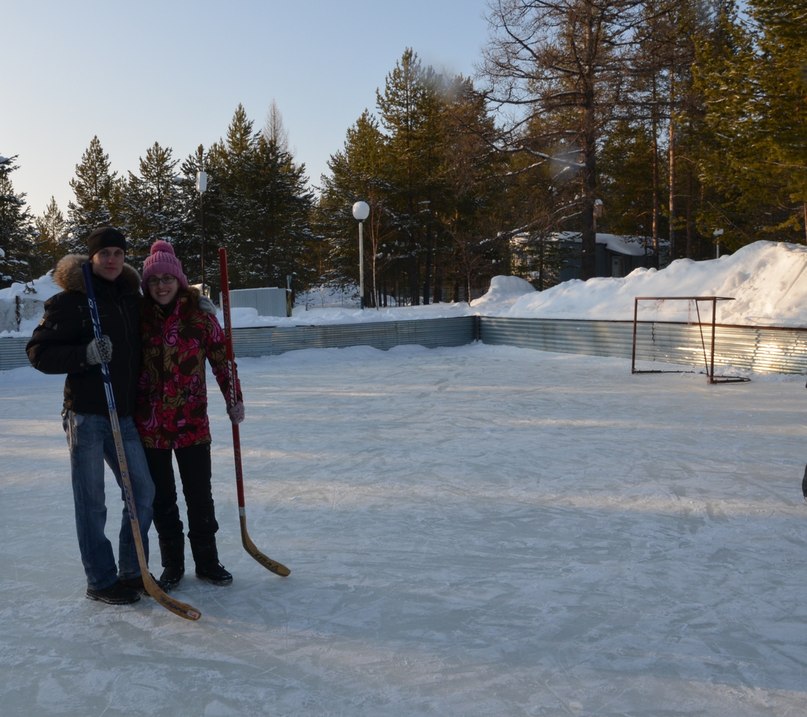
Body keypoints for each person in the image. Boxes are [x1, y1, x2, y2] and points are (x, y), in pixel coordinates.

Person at [26, 227, 156, 606]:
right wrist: (85, 355)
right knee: (92, 501)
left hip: (123, 415)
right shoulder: (70, 301)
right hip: (85, 415)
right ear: (92, 257)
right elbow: (38, 352)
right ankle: (100, 579)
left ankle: (132, 570)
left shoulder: (130, 298)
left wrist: (195, 307)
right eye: (104, 253)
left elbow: (163, 316)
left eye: (118, 253)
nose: (112, 260)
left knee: (142, 492)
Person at [135, 240, 244, 590]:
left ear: (179, 281)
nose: (161, 286)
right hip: (150, 425)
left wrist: (234, 398)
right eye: (154, 280)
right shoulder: (138, 318)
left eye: (167, 279)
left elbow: (223, 361)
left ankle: (208, 562)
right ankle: (173, 564)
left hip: (192, 421)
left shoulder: (200, 316)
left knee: (199, 496)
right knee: (162, 499)